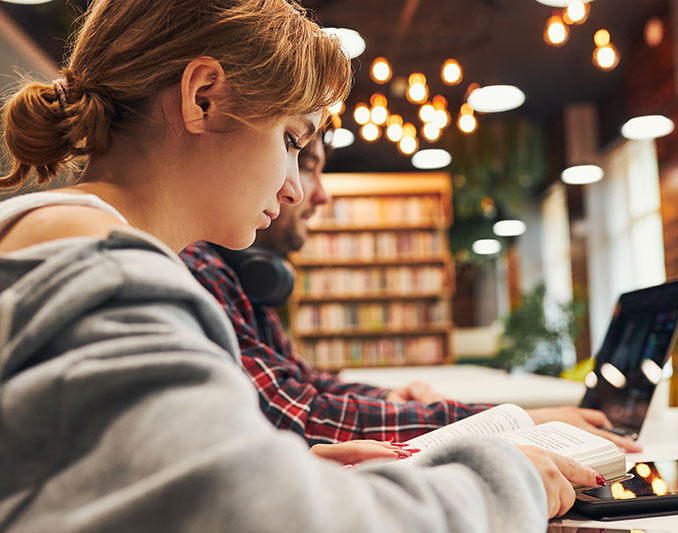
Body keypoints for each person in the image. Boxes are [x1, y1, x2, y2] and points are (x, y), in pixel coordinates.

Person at [0, 1, 603, 530]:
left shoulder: (63, 247)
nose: (294, 188)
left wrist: (289, 468)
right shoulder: (105, 272)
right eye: (292, 139)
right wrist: (502, 480)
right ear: (203, 98)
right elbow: (259, 520)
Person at [180, 132, 643, 453]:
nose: (311, 194)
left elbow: (304, 386)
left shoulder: (230, 276)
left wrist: (393, 399)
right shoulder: (195, 269)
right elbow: (294, 416)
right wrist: (505, 424)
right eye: (299, 155)